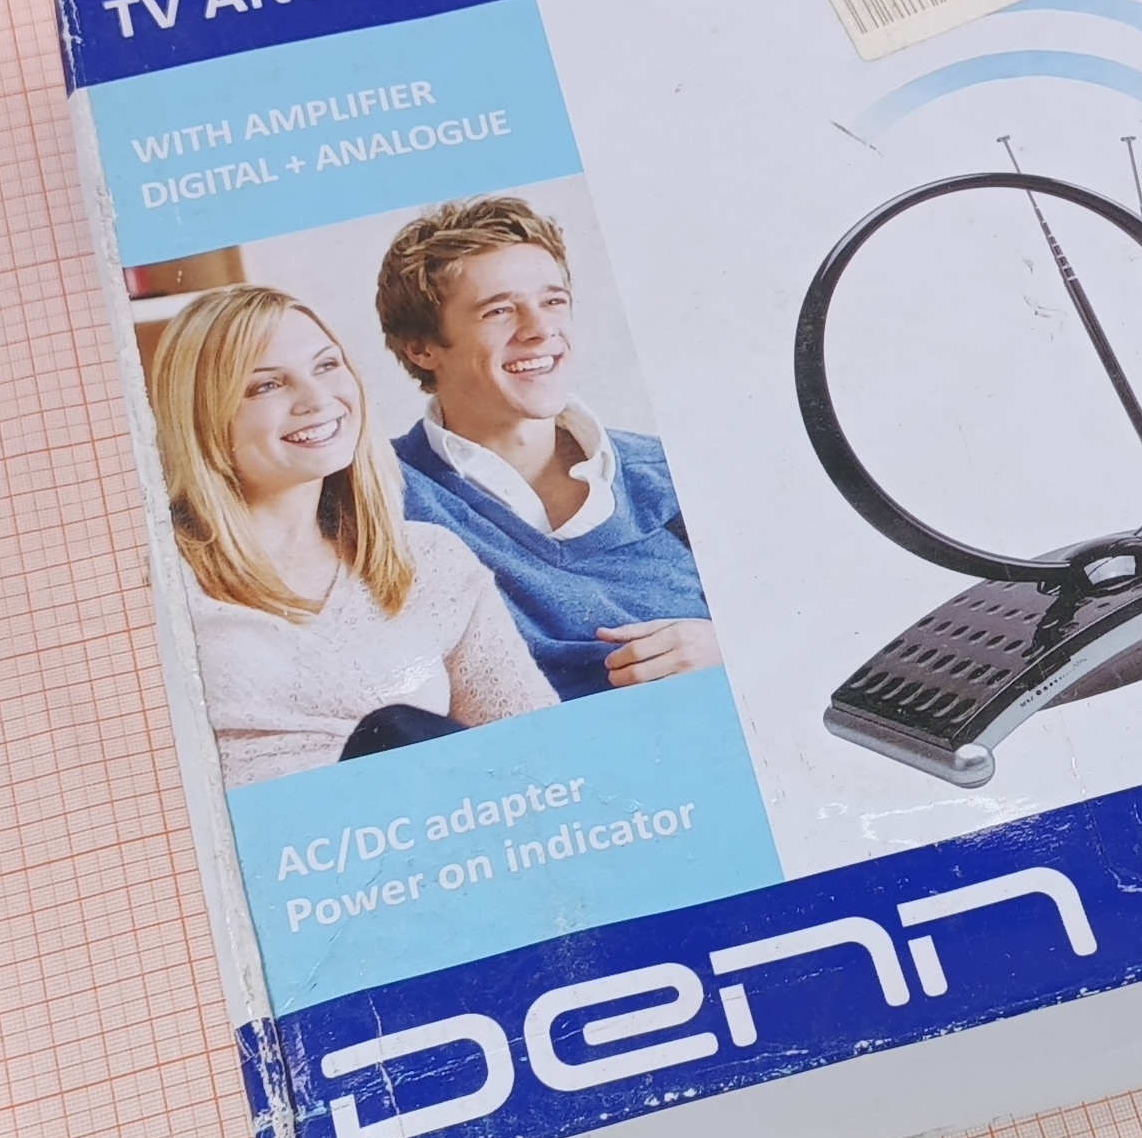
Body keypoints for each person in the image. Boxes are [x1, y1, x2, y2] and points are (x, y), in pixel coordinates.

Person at [145, 284, 550, 785]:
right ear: (203, 416)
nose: (318, 399)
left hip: (428, 816)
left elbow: (537, 747)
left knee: (398, 731)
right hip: (269, 822)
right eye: (267, 386)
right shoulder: (157, 585)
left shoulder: (429, 560)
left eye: (327, 366)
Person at [374, 196, 718, 701]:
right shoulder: (374, 493)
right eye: (499, 311)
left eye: (553, 301)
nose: (540, 331)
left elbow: (794, 622)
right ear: (422, 348)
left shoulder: (672, 469)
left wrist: (728, 647)